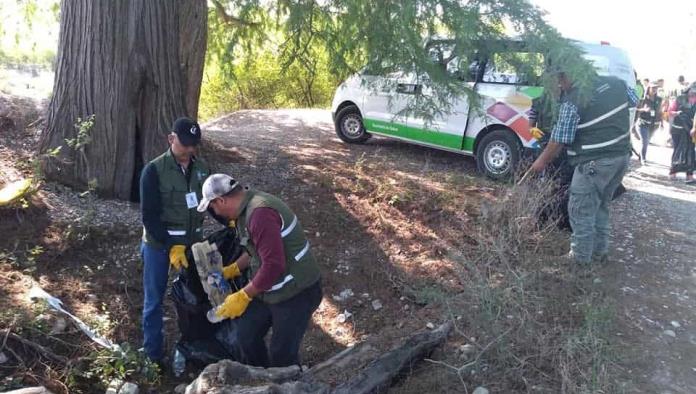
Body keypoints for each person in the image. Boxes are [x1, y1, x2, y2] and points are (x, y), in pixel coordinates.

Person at [196, 174, 323, 367]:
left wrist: (243, 296)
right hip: (271, 289)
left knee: (282, 355)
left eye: (213, 206)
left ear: (221, 200)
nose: (215, 212)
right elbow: (256, 251)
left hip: (297, 291)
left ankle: (290, 384)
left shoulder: (259, 214)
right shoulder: (244, 211)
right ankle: (261, 378)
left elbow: (273, 265)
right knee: (245, 336)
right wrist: (232, 269)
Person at [530, 72, 638, 265]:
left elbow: (560, 138)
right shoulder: (617, 82)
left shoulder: (573, 100)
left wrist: (541, 162)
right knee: (600, 206)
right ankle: (599, 253)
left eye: (560, 81)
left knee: (580, 209)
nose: (561, 87)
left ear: (567, 75)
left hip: (594, 160)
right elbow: (633, 100)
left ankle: (579, 260)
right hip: (621, 156)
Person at [139, 117, 210, 362]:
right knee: (153, 301)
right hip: (159, 247)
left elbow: (208, 204)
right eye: (185, 144)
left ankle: (191, 348)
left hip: (192, 247)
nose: (189, 150)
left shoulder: (201, 170)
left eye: (194, 145)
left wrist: (231, 222)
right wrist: (171, 247)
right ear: (171, 139)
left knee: (194, 298)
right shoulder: (154, 170)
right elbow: (149, 216)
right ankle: (153, 356)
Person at [668, 86, 696, 182]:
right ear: (689, 90)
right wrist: (677, 113)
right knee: (677, 150)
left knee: (691, 151)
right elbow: (670, 112)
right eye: (693, 89)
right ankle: (673, 172)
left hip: (692, 130)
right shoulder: (680, 98)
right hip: (678, 129)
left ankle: (689, 175)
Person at [636, 84, 662, 164]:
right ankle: (643, 158)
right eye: (653, 88)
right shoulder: (642, 99)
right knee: (645, 141)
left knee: (647, 142)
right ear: (649, 88)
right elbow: (635, 109)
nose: (654, 89)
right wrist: (643, 109)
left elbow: (659, 111)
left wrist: (662, 123)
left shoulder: (659, 99)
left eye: (656, 88)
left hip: (654, 125)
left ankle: (640, 155)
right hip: (643, 123)